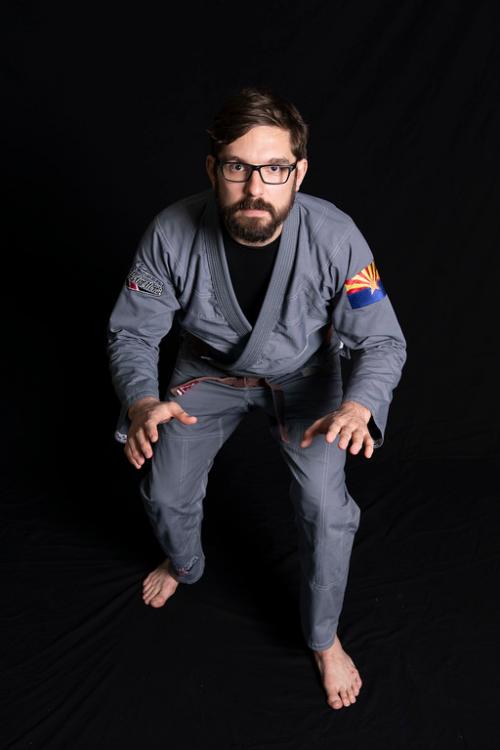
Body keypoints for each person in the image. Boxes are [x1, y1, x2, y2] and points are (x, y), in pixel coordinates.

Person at [106, 86, 407, 710]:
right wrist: (140, 402)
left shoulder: (336, 237)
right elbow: (134, 332)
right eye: (238, 167)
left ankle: (323, 637)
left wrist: (358, 406)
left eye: (274, 169)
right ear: (212, 168)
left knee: (325, 510)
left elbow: (380, 340)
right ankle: (184, 565)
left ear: (299, 171)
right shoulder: (171, 232)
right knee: (163, 490)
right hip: (206, 376)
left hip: (308, 382)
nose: (254, 188)